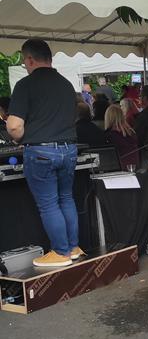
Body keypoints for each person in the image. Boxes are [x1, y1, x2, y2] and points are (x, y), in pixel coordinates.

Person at [6, 38, 82, 268]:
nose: (24, 65)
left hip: (40, 152)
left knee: (49, 205)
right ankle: (73, 247)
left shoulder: (25, 85)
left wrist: (19, 138)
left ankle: (60, 252)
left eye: (24, 61)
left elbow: (14, 126)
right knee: (66, 198)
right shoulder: (66, 84)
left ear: (30, 59)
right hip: (69, 149)